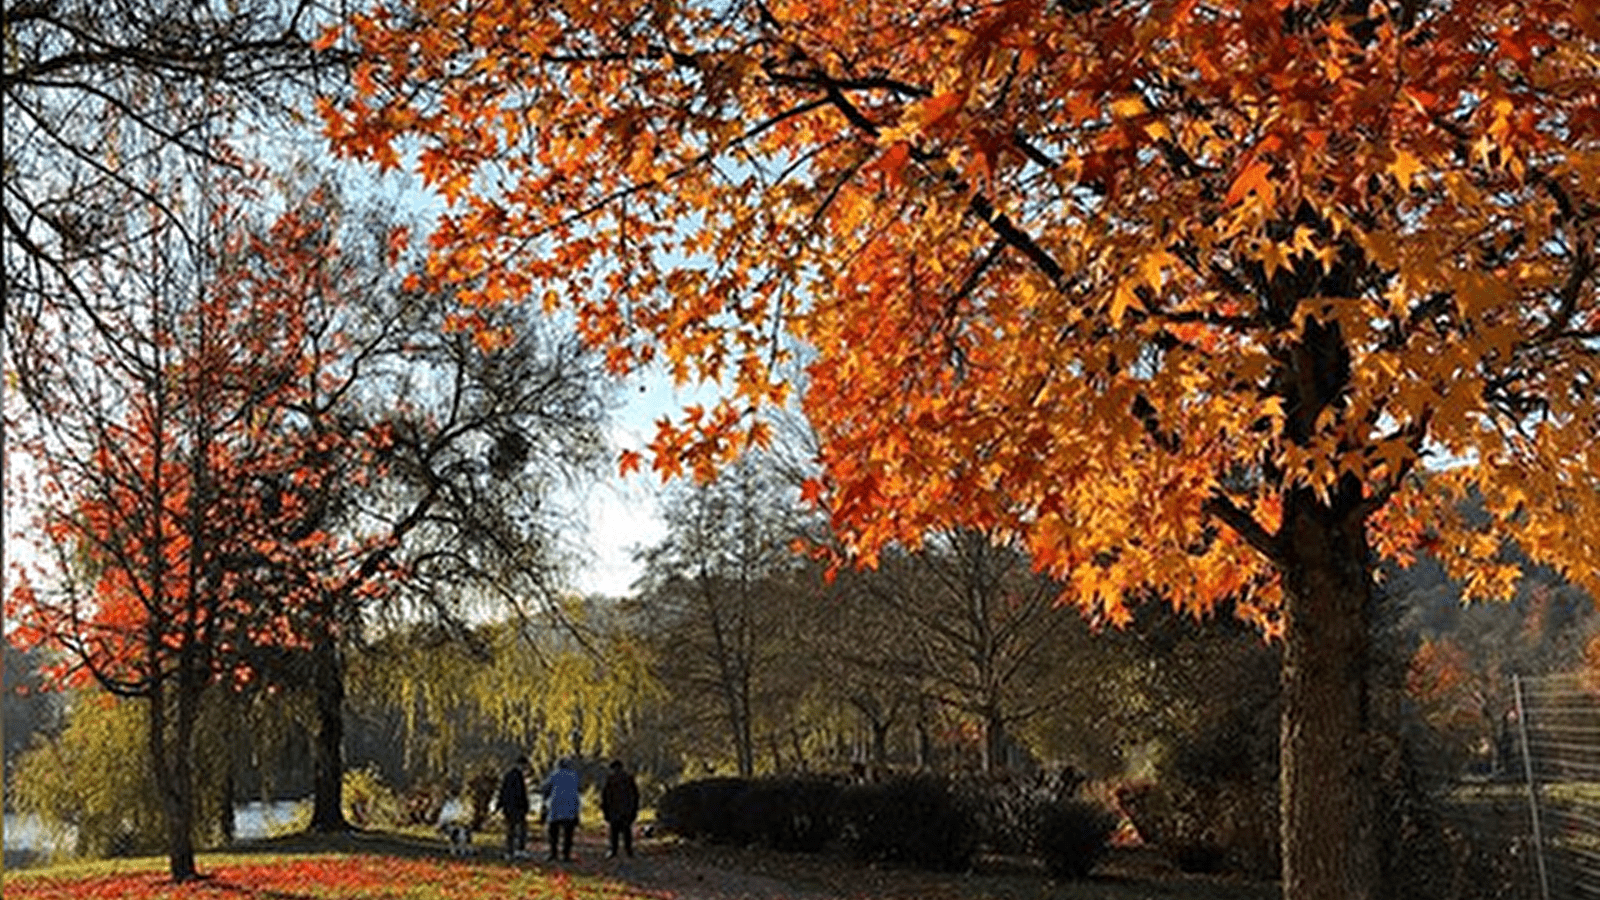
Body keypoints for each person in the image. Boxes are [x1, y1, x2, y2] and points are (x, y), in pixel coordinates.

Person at [540, 758, 581, 861]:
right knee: (568, 833)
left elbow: (545, 788)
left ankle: (553, 853)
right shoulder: (574, 776)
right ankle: (566, 854)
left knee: (553, 832)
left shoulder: (554, 775)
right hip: (571, 806)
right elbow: (577, 791)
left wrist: (544, 801)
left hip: (556, 806)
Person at [600, 759, 640, 858]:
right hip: (626, 810)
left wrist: (605, 810)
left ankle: (613, 850)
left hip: (614, 810)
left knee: (614, 832)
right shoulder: (629, 778)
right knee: (627, 832)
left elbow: (605, 796)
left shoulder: (611, 779)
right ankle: (629, 850)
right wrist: (634, 809)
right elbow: (635, 795)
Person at [495, 756, 531, 859]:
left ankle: (510, 850)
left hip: (508, 806)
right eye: (525, 765)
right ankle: (519, 850)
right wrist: (526, 806)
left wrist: (499, 804)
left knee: (511, 829)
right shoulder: (518, 776)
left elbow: (503, 789)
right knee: (521, 829)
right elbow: (521, 793)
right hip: (517, 806)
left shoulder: (508, 775)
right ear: (523, 764)